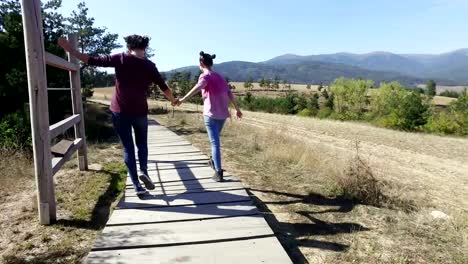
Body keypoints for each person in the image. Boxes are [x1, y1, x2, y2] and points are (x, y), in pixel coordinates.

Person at [58, 35, 178, 195]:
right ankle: (144, 171)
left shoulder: (120, 58)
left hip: (120, 112)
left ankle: (137, 186)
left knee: (128, 148)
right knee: (142, 144)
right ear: (145, 48)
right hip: (140, 112)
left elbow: (92, 60)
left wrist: (71, 50)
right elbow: (164, 87)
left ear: (129, 47)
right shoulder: (149, 66)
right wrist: (173, 100)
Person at [177, 51, 242, 182]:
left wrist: (182, 99)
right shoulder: (220, 77)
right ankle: (213, 162)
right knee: (215, 141)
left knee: (215, 144)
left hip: (210, 114)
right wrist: (237, 109)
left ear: (201, 63)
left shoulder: (204, 76)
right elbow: (229, 93)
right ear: (211, 63)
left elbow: (197, 88)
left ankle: (218, 172)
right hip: (223, 115)